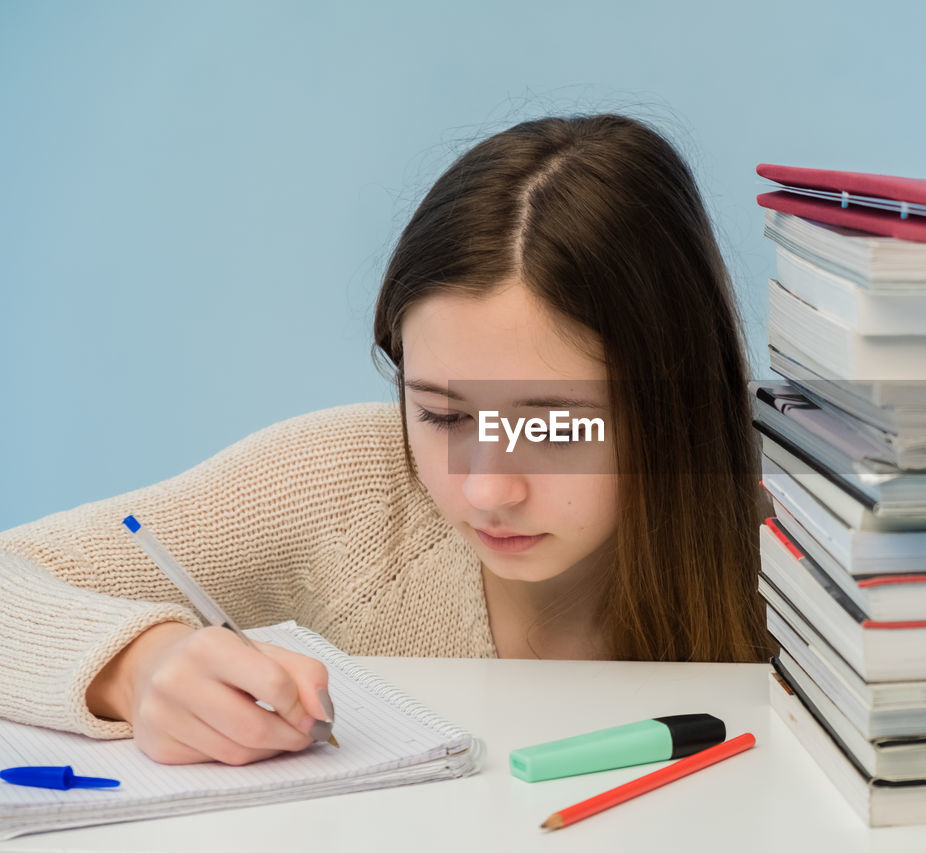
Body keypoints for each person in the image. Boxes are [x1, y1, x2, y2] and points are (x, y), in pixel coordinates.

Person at [0, 113, 774, 767]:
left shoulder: (813, 528)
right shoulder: (346, 485)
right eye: (440, 414)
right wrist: (131, 666)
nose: (484, 487)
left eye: (549, 423)